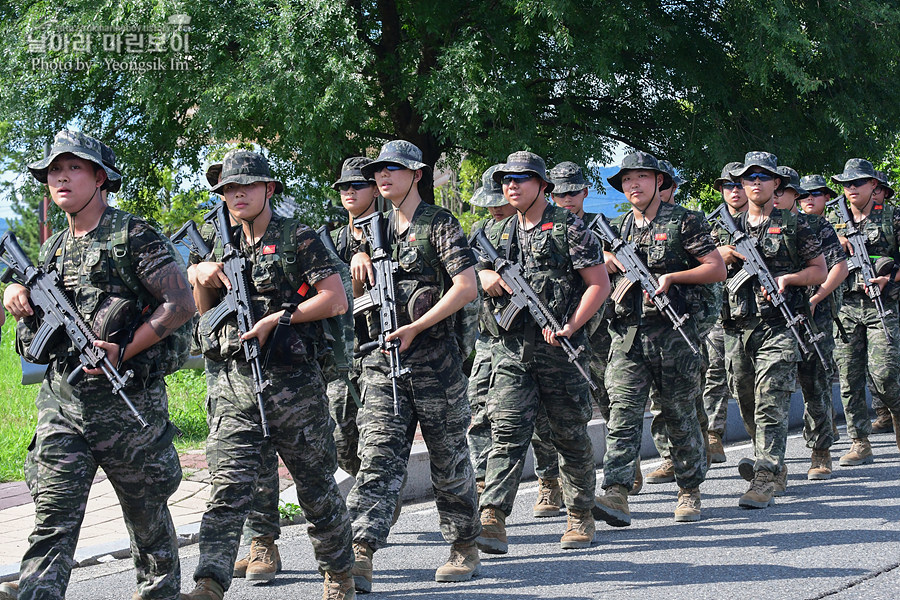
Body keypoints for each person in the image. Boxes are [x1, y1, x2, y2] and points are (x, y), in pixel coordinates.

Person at [3, 130, 195, 600]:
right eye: (54, 170)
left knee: (147, 522)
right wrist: (16, 293)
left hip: (129, 404)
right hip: (63, 409)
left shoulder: (133, 235)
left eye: (73, 168)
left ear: (100, 177)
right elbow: (32, 318)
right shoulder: (50, 249)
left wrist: (122, 350)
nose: (61, 177)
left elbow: (180, 303)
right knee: (52, 520)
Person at [186, 149, 355, 600]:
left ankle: (339, 574)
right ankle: (208, 584)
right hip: (232, 386)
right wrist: (200, 275)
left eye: (246, 186)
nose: (236, 194)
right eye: (227, 189)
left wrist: (277, 320)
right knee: (226, 492)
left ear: (268, 189)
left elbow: (335, 299)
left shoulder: (297, 236)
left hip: (292, 384)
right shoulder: (213, 239)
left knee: (316, 486)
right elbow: (205, 317)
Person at [345, 140, 482, 592]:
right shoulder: (370, 226)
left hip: (435, 364)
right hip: (384, 365)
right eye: (379, 171)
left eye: (394, 170)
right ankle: (360, 551)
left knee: (448, 458)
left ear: (416, 174)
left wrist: (417, 326)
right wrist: (357, 254)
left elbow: (465, 287)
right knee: (378, 456)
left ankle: (464, 544)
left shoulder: (438, 224)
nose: (384, 178)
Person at [476, 151, 609, 553]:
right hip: (512, 351)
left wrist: (572, 325)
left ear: (543, 185)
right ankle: (492, 517)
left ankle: (579, 514)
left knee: (569, 436)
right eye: (506, 180)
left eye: (522, 179)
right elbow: (471, 269)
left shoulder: (571, 228)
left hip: (561, 351)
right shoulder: (495, 232)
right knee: (507, 433)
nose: (511, 186)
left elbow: (598, 284)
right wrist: (487, 275)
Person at [594, 151, 725, 526]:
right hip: (628, 336)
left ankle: (689, 488)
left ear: (659, 182)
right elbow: (595, 266)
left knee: (678, 413)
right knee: (621, 413)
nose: (633, 185)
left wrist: (671, 278)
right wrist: (606, 261)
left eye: (642, 177)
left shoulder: (685, 221)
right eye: (627, 179)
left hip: (674, 333)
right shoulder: (616, 229)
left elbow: (715, 269)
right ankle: (617, 491)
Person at [720, 152, 826, 509]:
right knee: (746, 398)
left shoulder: (796, 225)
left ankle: (764, 475)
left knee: (772, 399)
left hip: (780, 324)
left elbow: (819, 271)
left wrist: (788, 279)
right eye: (748, 177)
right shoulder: (724, 225)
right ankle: (773, 462)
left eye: (762, 177)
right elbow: (703, 261)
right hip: (738, 326)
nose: (754, 183)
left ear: (776, 184)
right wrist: (727, 253)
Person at [467, 163, 564, 517]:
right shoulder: (482, 232)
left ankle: (549, 482)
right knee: (481, 411)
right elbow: (461, 272)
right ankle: (483, 485)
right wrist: (484, 273)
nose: (493, 209)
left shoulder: (537, 232)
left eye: (499, 203)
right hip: (490, 338)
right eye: (489, 203)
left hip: (531, 339)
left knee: (538, 419)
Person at [548, 161, 643, 496]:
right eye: (559, 194)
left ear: (585, 192)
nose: (566, 199)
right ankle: (555, 482)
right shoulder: (545, 228)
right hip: (561, 330)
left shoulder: (602, 226)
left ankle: (624, 466)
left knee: (613, 402)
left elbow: (622, 255)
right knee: (559, 411)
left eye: (572, 192)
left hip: (603, 330)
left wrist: (605, 254)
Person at [828, 159, 900, 466]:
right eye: (846, 184)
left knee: (884, 376)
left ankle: (896, 413)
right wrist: (834, 246)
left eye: (857, 183)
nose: (851, 189)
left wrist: (889, 276)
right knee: (849, 376)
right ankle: (859, 441)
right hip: (845, 306)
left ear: (873, 185)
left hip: (882, 305)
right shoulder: (831, 218)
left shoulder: (893, 217)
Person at [776, 167, 847, 480]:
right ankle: (771, 462)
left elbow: (838, 267)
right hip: (773, 320)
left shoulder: (816, 225)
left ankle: (820, 450)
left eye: (786, 191)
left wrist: (816, 297)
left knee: (814, 382)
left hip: (812, 317)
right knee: (767, 390)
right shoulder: (755, 226)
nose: (777, 196)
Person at [704, 162, 748, 464]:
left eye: (738, 184)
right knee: (715, 373)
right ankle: (713, 435)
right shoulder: (709, 226)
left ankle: (764, 444)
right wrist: (718, 255)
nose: (734, 191)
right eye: (727, 186)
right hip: (721, 312)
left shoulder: (762, 220)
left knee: (747, 382)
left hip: (757, 312)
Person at [868, 170, 897, 435]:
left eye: (877, 190)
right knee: (871, 365)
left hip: (892, 298)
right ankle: (883, 412)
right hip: (861, 301)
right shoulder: (844, 219)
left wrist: (890, 275)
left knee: (888, 366)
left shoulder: (894, 219)